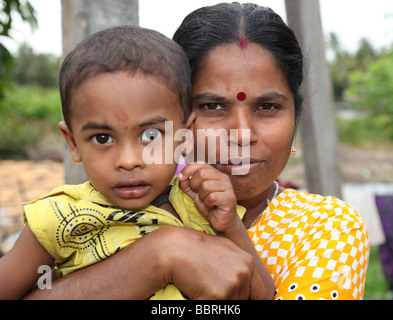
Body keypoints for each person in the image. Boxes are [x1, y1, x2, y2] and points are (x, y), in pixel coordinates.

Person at [24, 2, 369, 300]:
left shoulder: (325, 227)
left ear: (296, 117)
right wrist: (161, 254)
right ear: (175, 116)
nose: (242, 134)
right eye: (212, 107)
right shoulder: (99, 205)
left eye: (267, 107)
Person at [0, 25, 273, 300]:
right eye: (102, 138)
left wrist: (231, 227)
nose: (129, 161)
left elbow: (263, 293)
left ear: (184, 135)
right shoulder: (59, 218)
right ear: (72, 142)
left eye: (151, 135)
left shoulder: (200, 206)